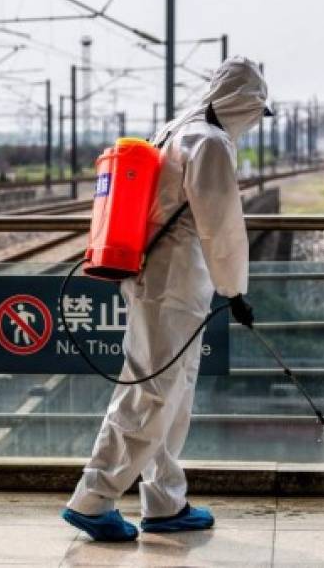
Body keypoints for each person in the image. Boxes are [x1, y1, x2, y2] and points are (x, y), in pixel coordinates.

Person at [62, 56, 269, 541]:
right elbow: (221, 225)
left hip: (157, 278)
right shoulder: (210, 142)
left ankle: (165, 500)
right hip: (172, 283)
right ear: (246, 104)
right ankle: (92, 500)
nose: (255, 123)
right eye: (257, 112)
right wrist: (235, 289)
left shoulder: (178, 128)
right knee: (151, 390)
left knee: (172, 394)